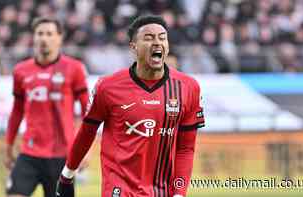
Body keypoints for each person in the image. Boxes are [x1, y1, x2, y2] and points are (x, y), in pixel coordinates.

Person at [56, 15, 205, 197]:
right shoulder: (108, 87)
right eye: (149, 38)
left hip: (161, 191)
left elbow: (185, 148)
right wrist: (67, 174)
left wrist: (179, 193)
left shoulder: (189, 88)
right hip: (119, 188)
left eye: (162, 37)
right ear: (133, 47)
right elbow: (87, 133)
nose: (157, 42)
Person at [4, 17, 89, 197]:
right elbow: (16, 111)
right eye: (40, 33)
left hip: (62, 156)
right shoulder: (21, 70)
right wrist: (9, 144)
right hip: (30, 152)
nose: (44, 38)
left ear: (59, 38)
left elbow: (87, 113)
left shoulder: (74, 68)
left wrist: (85, 150)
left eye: (49, 34)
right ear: (33, 38)